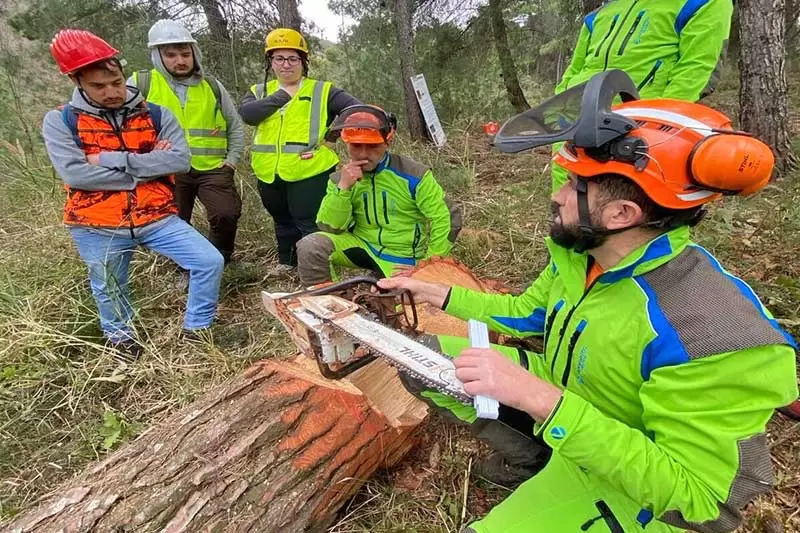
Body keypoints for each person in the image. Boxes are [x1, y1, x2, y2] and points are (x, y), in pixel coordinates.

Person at [379, 72, 799, 532]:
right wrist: (437, 292)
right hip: (575, 408)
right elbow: (528, 313)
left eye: (575, 184)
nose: (556, 196)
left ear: (622, 214)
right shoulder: (585, 255)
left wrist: (540, 399)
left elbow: (703, 504)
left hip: (633, 477)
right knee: (426, 360)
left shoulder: (712, 333)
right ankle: (532, 458)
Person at [42, 29, 224, 363]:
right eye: (99, 86)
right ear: (77, 80)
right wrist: (147, 166)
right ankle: (121, 338)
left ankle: (198, 328)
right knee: (109, 285)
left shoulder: (154, 114)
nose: (111, 92)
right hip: (95, 222)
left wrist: (110, 161)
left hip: (157, 215)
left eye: (116, 82)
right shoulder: (61, 121)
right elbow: (76, 174)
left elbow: (179, 160)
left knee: (208, 260)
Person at [550, 0, 734, 191]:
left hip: (638, 126)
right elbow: (574, 70)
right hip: (577, 120)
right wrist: (558, 111)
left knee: (637, 203)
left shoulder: (701, 3)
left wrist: (659, 126)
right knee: (566, 203)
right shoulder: (598, 15)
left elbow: (696, 69)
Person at [295, 105, 461, 286]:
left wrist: (428, 266)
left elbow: (446, 218)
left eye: (373, 146)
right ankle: (328, 304)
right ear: (347, 143)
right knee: (311, 246)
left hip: (403, 258)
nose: (364, 154)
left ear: (388, 142)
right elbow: (329, 228)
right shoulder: (339, 179)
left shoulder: (414, 175)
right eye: (356, 146)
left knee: (394, 306)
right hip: (361, 246)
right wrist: (343, 189)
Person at [238, 28, 361, 273]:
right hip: (268, 170)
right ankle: (287, 263)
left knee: (309, 223)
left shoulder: (322, 90)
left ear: (303, 61)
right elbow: (248, 115)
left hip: (310, 169)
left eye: (293, 58)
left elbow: (356, 109)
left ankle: (314, 271)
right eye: (279, 59)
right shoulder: (259, 91)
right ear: (270, 62)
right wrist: (282, 95)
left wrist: (331, 137)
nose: (286, 64)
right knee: (282, 220)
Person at [130, 19, 245, 265]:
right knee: (173, 222)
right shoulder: (141, 84)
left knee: (226, 213)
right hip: (166, 170)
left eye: (185, 53)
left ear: (195, 53)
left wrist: (231, 162)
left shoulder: (211, 86)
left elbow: (234, 125)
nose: (179, 60)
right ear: (158, 55)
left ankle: (222, 259)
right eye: (170, 55)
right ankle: (185, 266)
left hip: (213, 168)